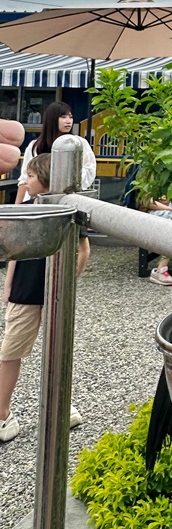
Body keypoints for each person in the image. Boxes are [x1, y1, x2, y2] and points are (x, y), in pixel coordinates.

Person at [0, 154, 90, 442]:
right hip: (25, 292)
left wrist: (68, 284)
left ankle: (62, 407)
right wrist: (8, 285)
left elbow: (84, 249)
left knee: (58, 350)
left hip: (52, 292)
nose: (26, 181)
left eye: (31, 176)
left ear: (46, 180)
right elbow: (13, 251)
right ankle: (3, 413)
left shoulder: (66, 213)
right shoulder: (25, 209)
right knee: (10, 351)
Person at [15, 101, 97, 204]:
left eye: (70, 117)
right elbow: (24, 179)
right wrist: (17, 206)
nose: (68, 121)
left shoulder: (79, 144)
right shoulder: (35, 145)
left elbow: (89, 170)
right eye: (63, 117)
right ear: (52, 119)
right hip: (36, 201)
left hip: (67, 200)